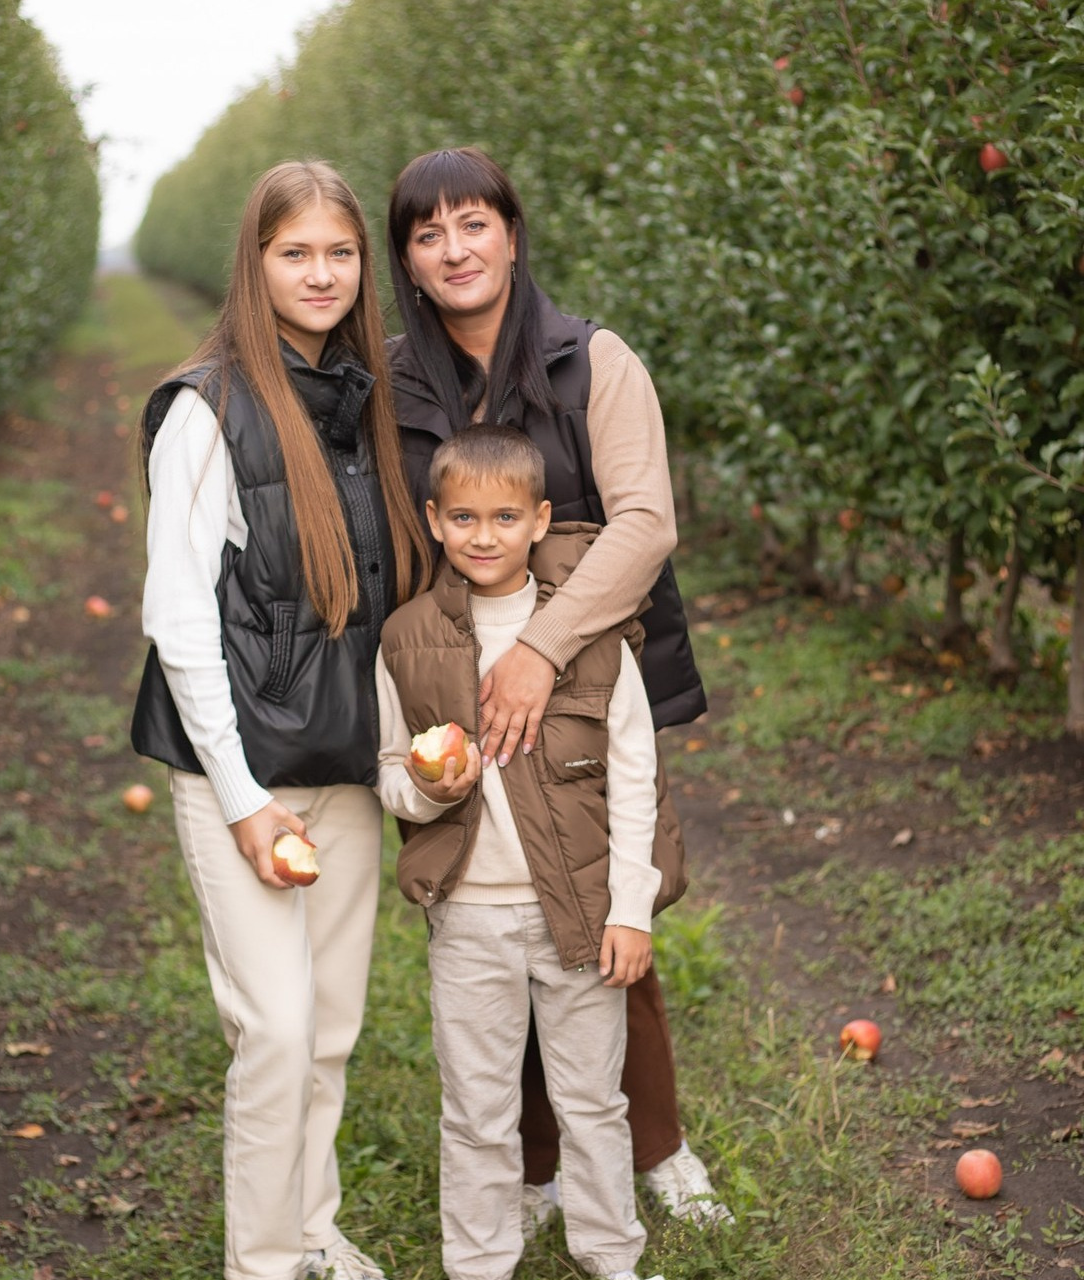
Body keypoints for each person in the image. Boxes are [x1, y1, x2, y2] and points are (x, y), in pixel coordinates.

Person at [385, 146, 731, 1228]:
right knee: (499, 906)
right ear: (406, 258)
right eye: (428, 233)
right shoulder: (399, 381)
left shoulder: (592, 360)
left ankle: (653, 1142)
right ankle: (539, 1165)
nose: (455, 248)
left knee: (593, 896)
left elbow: (643, 521)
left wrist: (542, 645)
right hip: (464, 673)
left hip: (587, 669)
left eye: (472, 223)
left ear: (512, 231)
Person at [130, 159, 430, 1280]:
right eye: (294, 251)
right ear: (254, 265)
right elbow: (176, 617)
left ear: (363, 268)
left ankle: (311, 1225)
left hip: (340, 760)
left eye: (339, 252)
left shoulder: (360, 403)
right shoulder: (204, 413)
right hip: (240, 772)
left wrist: (402, 753)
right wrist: (245, 801)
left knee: (334, 1026)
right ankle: (260, 1261)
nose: (320, 272)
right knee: (276, 1029)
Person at [376, 424, 665, 1280]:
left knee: (591, 1101)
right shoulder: (405, 639)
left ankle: (612, 1255)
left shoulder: (590, 635)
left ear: (541, 520)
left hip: (575, 912)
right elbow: (388, 774)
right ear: (433, 520)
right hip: (467, 916)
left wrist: (630, 909)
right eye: (463, 517)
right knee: (476, 1107)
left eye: (506, 517)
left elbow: (636, 780)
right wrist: (431, 790)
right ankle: (479, 1262)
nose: (484, 536)